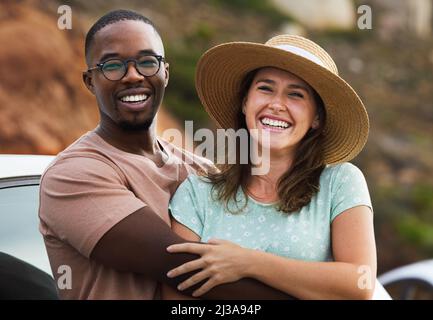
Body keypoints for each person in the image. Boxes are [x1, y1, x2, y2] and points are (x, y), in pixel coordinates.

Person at [38, 9, 293, 300]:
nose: (132, 76)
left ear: (165, 73)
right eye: (112, 65)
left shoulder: (202, 169)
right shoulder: (73, 175)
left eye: (147, 62)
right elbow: (183, 265)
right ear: (90, 81)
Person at [163, 35, 377, 300]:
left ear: (317, 118)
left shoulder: (340, 182)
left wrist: (248, 263)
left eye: (296, 94)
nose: (277, 104)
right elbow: (177, 298)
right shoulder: (197, 193)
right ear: (245, 103)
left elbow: (360, 283)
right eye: (265, 88)